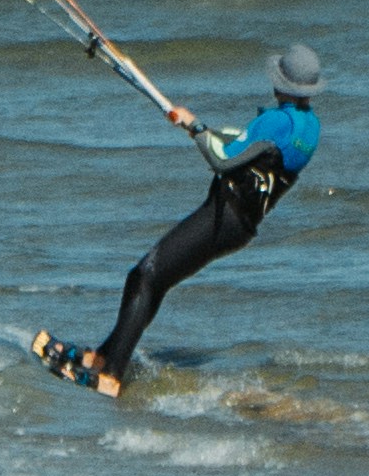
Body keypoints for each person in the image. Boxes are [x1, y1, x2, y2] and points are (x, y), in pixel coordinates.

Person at [36, 44, 324, 399]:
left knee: (143, 275)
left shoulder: (275, 121)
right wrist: (195, 126)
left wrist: (199, 130)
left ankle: (111, 375)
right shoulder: (309, 127)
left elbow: (223, 160)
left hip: (224, 215)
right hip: (241, 225)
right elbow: (246, 146)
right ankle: (106, 355)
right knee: (157, 280)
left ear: (280, 83)